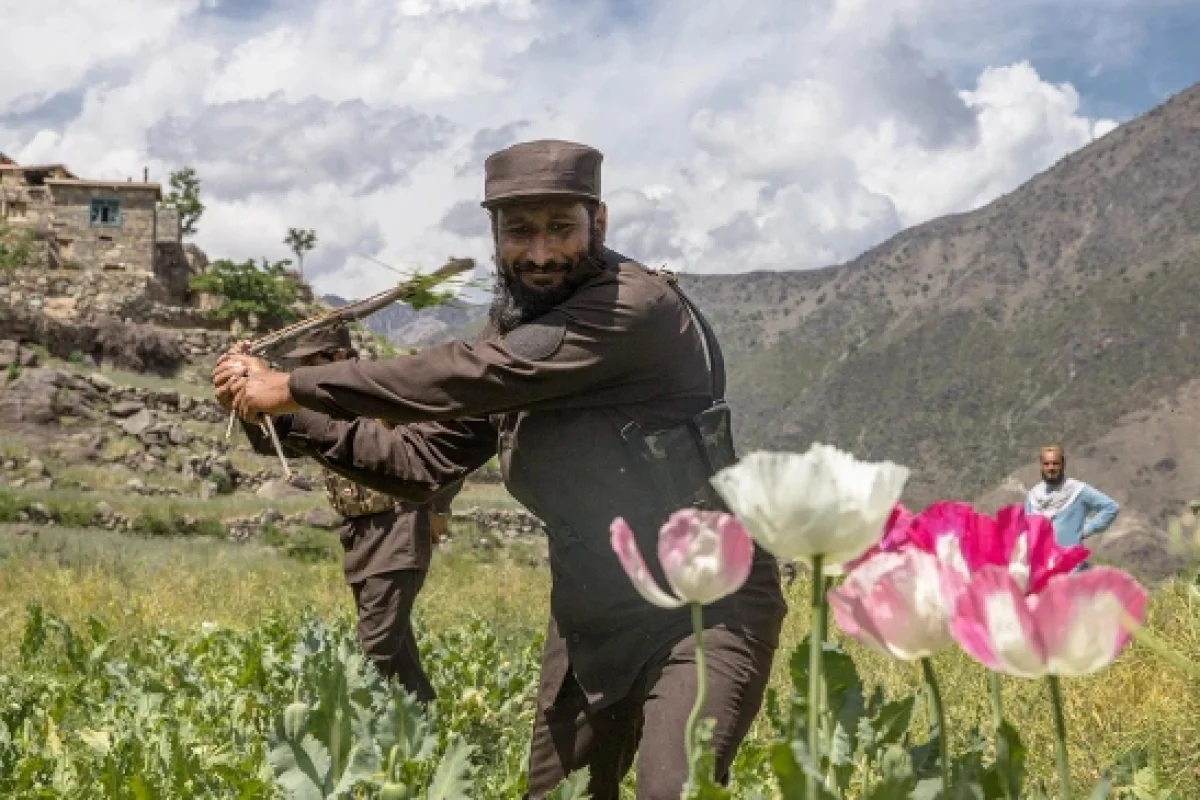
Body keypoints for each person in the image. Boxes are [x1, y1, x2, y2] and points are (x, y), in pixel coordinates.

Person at [213, 138, 788, 800]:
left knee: (674, 790)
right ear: (494, 232)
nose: (541, 253)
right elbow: (419, 459)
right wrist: (281, 413)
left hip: (705, 605)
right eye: (519, 231)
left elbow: (479, 375)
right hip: (593, 607)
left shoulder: (633, 308)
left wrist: (296, 385)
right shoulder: (511, 328)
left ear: (597, 224)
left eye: (560, 229)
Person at [229, 325, 461, 703]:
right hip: (359, 533)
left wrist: (439, 508)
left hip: (398, 526)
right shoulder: (318, 402)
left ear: (337, 358)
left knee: (375, 647)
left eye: (309, 363)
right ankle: (424, 720)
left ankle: (358, 730)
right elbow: (272, 439)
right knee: (396, 651)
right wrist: (245, 391)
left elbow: (439, 451)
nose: (302, 372)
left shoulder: (380, 390)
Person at [1025, 445, 1120, 551]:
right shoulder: (1033, 495)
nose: (1051, 468)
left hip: (1071, 562)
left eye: (1055, 464)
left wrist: (1087, 530)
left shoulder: (1077, 490)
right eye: (1046, 464)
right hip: (1041, 562)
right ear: (1041, 466)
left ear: (1063, 465)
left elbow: (1110, 507)